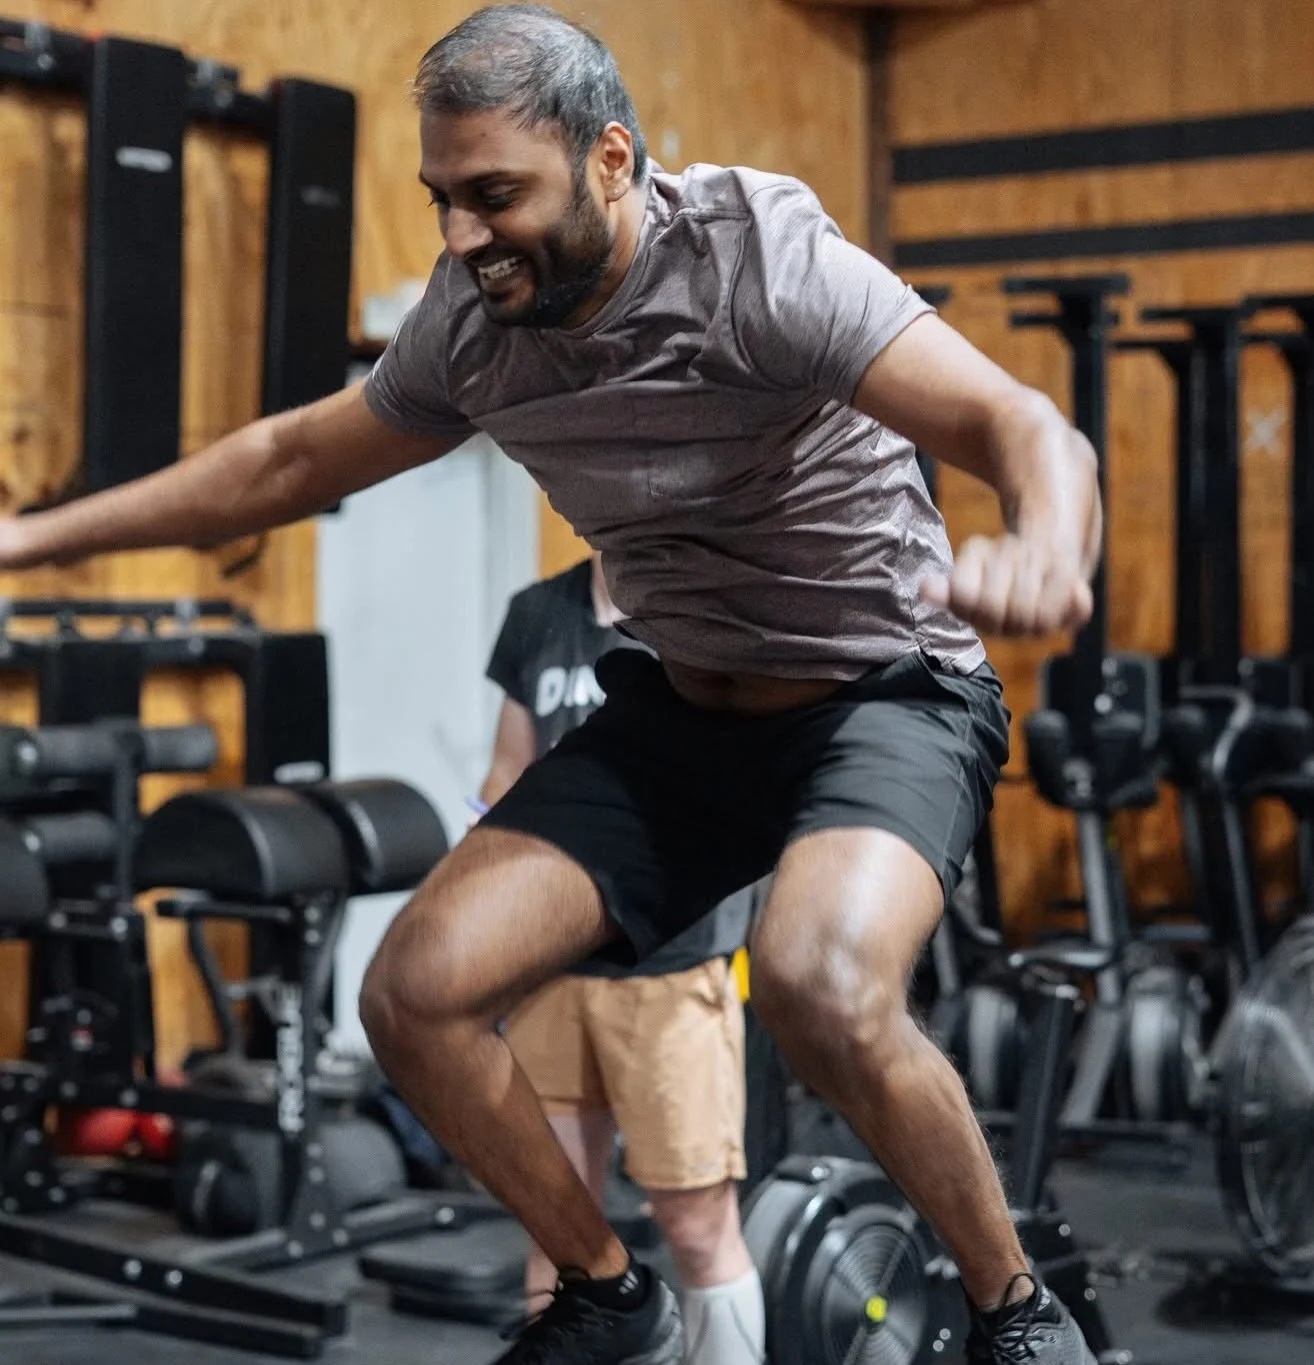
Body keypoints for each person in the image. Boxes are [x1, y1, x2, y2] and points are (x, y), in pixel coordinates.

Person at [0, 6, 1103, 1362]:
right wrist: (24, 538)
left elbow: (1018, 423)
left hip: (879, 689)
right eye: (443, 200)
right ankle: (600, 1291)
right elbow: (283, 462)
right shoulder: (472, 328)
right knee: (413, 990)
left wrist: (1047, 543)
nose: (461, 238)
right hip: (680, 708)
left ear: (611, 161)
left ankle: (1014, 1310)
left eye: (495, 196)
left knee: (819, 983)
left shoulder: (759, 257)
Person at [481, 550, 763, 1364]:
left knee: (697, 1226)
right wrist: (484, 900)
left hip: (669, 966)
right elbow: (507, 771)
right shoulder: (538, 611)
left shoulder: (705, 602)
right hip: (549, 967)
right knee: (559, 1227)